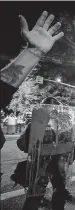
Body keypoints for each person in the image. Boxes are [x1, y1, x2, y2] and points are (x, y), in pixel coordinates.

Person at [0, 11, 64, 150]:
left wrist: (33, 52)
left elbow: (2, 90)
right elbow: (22, 144)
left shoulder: (62, 126)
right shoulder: (36, 125)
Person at [16, 97, 74, 210]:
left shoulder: (37, 124)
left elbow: (21, 144)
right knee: (58, 189)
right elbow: (71, 145)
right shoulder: (65, 125)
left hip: (42, 164)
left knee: (37, 192)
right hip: (56, 163)